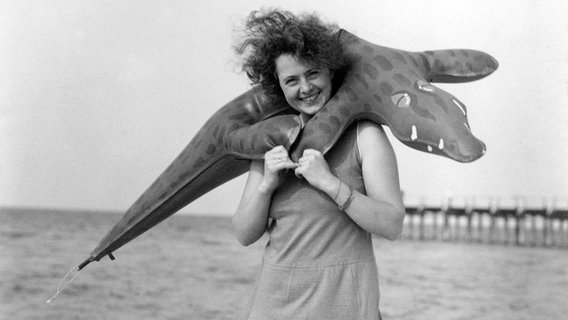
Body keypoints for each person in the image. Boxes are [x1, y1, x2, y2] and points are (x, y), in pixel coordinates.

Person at [232, 9, 405, 320]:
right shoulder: (272, 139)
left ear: (330, 71)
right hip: (273, 308)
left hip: (348, 307)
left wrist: (330, 184)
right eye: (292, 80)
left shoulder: (365, 135)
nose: (306, 88)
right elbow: (244, 234)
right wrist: (266, 185)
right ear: (279, 87)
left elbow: (392, 224)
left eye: (313, 73)